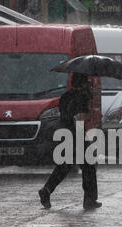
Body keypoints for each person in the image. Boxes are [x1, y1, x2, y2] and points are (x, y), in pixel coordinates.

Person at [38, 73, 102, 210]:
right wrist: (91, 111)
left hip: (64, 132)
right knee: (89, 166)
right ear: (83, 83)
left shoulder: (65, 96)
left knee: (64, 166)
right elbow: (81, 117)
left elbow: (65, 114)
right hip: (76, 134)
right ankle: (90, 199)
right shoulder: (83, 96)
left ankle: (47, 190)